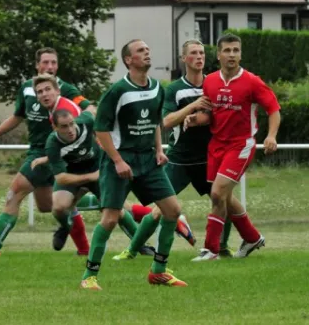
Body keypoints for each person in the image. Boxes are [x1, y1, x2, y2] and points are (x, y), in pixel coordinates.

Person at [112, 39, 238, 261]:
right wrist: (193, 106)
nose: (199, 57)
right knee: (160, 209)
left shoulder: (215, 84)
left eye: (202, 53)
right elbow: (165, 121)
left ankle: (223, 247)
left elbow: (224, 116)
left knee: (223, 201)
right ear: (184, 59)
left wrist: (201, 119)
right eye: (194, 53)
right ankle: (132, 250)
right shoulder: (175, 89)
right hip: (180, 160)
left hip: (209, 157)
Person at [80, 39, 187, 290]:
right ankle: (89, 276)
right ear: (128, 60)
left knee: (172, 210)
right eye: (141, 51)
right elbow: (101, 130)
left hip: (148, 160)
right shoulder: (117, 91)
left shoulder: (157, 87)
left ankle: (158, 271)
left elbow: (155, 123)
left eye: (148, 50)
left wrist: (159, 150)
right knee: (109, 219)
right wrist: (117, 161)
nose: (147, 53)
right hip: (120, 160)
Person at [0, 48, 93, 256]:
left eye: (54, 63)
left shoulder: (65, 89)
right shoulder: (27, 89)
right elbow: (17, 117)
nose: (50, 67)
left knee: (13, 194)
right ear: (37, 65)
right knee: (48, 206)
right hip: (36, 150)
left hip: (50, 153)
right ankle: (86, 241)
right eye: (45, 63)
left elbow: (90, 109)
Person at [184, 33, 281, 261]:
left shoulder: (252, 81)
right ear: (218, 55)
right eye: (227, 50)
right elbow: (209, 115)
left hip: (241, 145)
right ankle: (252, 237)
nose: (232, 55)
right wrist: (194, 119)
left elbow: (274, 109)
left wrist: (272, 136)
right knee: (223, 197)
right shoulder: (210, 81)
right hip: (217, 145)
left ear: (240, 54)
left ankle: (211, 249)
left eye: (236, 50)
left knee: (217, 193)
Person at [38, 108, 142, 251]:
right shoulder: (52, 143)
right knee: (58, 207)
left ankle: (140, 245)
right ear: (54, 127)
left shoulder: (86, 121)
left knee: (117, 210)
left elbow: (95, 111)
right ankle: (66, 226)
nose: (70, 129)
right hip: (73, 173)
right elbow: (61, 178)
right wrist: (90, 177)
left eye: (71, 123)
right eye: (64, 126)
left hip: (98, 168)